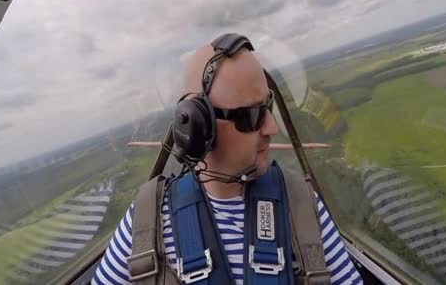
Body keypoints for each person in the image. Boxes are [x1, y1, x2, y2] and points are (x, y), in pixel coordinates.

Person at [92, 34, 363, 285]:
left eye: (267, 106)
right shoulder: (146, 223)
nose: (272, 127)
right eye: (252, 116)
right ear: (200, 127)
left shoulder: (301, 205)